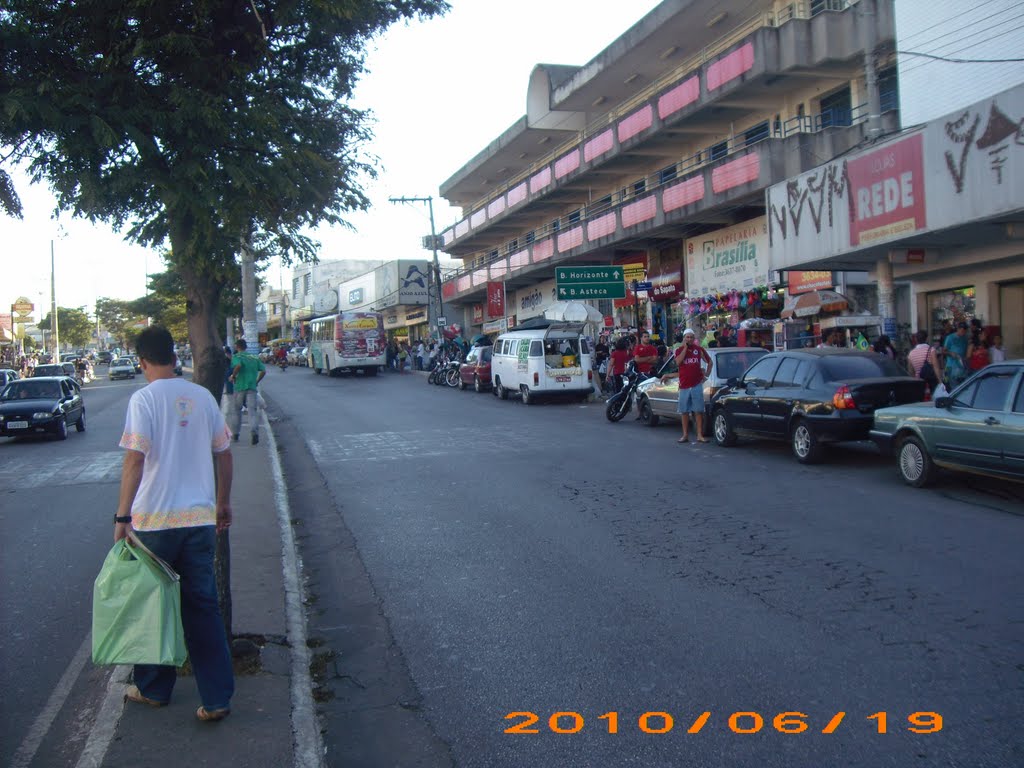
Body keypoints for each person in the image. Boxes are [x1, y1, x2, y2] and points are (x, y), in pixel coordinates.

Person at [114, 326, 234, 722]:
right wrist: (222, 503)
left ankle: (153, 689)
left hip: (153, 524)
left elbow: (134, 460)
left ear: (143, 361)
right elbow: (224, 453)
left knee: (153, 608)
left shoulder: (143, 399)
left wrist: (122, 517)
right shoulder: (202, 396)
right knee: (203, 608)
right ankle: (216, 698)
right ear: (173, 355)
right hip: (199, 521)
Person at [663, 328, 712, 443]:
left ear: (694, 339)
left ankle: (699, 435)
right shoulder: (679, 350)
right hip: (684, 385)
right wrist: (685, 348)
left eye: (691, 337)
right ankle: (685, 435)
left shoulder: (699, 349)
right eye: (687, 337)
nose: (689, 339)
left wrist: (707, 374)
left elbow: (709, 361)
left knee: (698, 411)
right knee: (684, 411)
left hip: (696, 384)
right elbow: (678, 362)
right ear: (684, 338)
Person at [228, 339, 266, 445]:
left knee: (236, 410)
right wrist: (257, 381)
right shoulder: (253, 357)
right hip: (252, 387)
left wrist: (233, 376)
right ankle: (254, 432)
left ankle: (235, 434)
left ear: (237, 347)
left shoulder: (237, 357)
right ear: (246, 347)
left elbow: (238, 366)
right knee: (252, 411)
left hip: (239, 387)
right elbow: (263, 370)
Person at [906, 330, 940, 394]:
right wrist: (940, 381)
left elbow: (911, 371)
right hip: (931, 381)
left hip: (919, 382)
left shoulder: (911, 353)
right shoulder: (931, 350)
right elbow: (936, 367)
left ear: (916, 340)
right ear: (926, 339)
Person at [943, 322, 969, 387]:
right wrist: (951, 353)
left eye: (965, 331)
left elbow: (966, 352)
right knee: (953, 387)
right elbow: (943, 351)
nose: (963, 332)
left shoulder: (965, 338)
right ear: (958, 329)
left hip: (961, 368)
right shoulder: (950, 338)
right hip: (951, 367)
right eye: (962, 330)